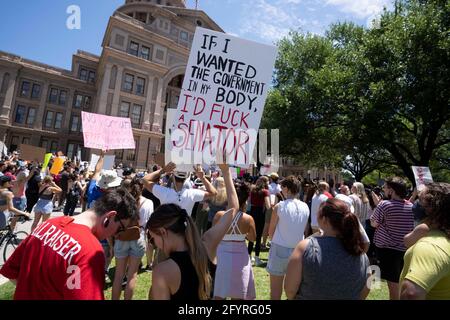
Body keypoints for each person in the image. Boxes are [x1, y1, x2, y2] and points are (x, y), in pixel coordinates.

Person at [0, 189, 138, 300]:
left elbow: (12, 272)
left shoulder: (47, 225)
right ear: (110, 217)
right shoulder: (90, 250)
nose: (116, 235)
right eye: (120, 228)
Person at [146, 162, 245, 300]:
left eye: (152, 238)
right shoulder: (208, 244)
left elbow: (145, 181)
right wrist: (226, 172)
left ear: (163, 232)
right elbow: (233, 208)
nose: (154, 243)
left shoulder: (162, 271)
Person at [285, 198, 371, 300]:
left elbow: (290, 291)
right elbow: (368, 286)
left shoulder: (305, 247)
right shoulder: (360, 253)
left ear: (324, 219)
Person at [399, 182, 450, 299]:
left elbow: (411, 294)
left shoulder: (430, 246)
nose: (417, 204)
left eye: (420, 200)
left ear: (433, 209)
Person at [212, 175, 256, 300]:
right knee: (239, 293)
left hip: (222, 257)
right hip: (241, 258)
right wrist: (242, 234)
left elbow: (213, 236)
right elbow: (253, 238)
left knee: (219, 293)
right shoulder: (248, 219)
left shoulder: (219, 215)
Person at [371, 177, 414, 300]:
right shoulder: (410, 206)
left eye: (385, 187)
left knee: (393, 283)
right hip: (404, 249)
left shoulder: (384, 204)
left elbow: (374, 223)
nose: (383, 190)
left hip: (387, 250)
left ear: (391, 190)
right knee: (400, 280)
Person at [267, 175, 310, 300]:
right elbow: (305, 229)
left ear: (287, 189)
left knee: (275, 291)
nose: (281, 190)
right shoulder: (305, 206)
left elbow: (271, 231)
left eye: (282, 188)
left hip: (280, 247)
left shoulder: (279, 206)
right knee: (293, 292)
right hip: (299, 250)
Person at [112, 178, 153, 300]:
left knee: (119, 275)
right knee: (132, 275)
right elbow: (149, 223)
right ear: (143, 188)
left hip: (122, 236)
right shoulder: (148, 202)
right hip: (138, 236)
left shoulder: (122, 201)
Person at [143, 163, 217, 217]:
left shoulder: (164, 192)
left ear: (173, 176)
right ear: (186, 178)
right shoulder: (192, 194)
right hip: (183, 234)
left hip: (166, 233)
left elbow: (145, 179)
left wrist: (163, 170)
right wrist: (202, 177)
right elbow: (213, 193)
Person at [248, 176, 271, 266]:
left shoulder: (252, 190)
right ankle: (257, 258)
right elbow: (268, 206)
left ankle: (249, 257)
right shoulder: (265, 192)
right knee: (258, 237)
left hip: (252, 213)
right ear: (265, 183)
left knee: (251, 235)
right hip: (261, 214)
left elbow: (249, 202)